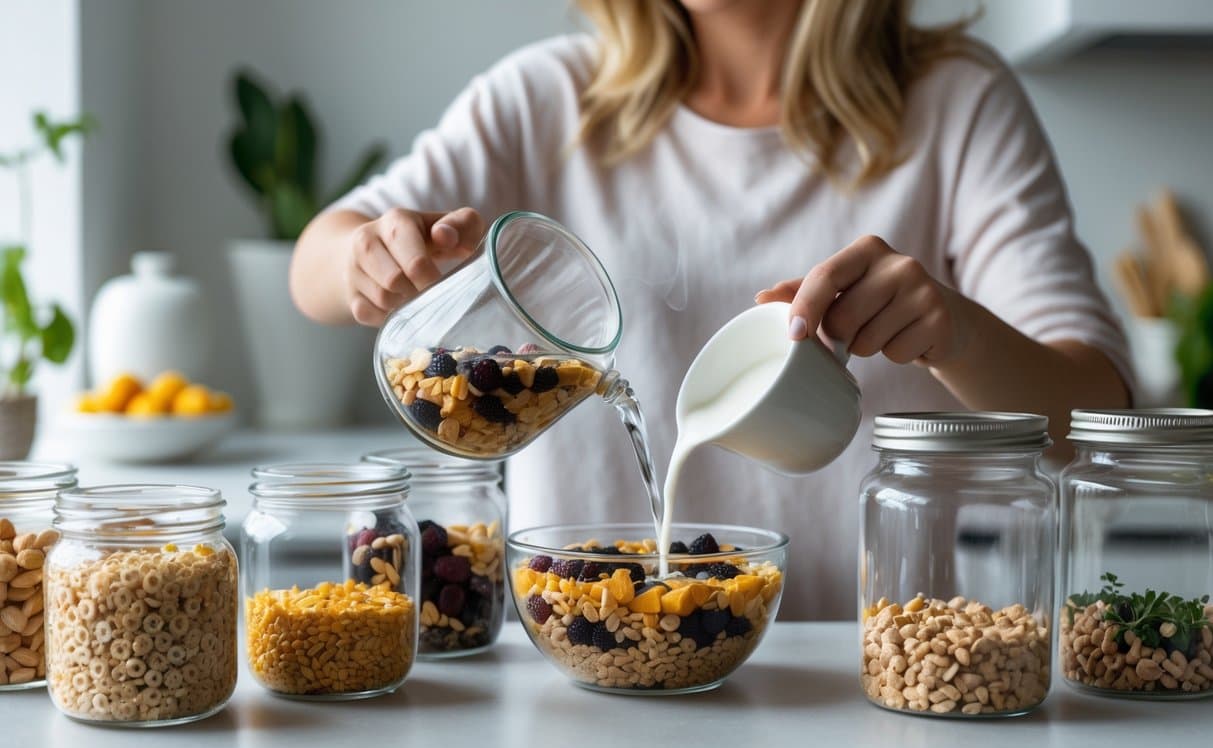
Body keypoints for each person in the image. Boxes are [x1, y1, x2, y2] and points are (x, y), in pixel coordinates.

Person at [290, 0, 1131, 620]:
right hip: (586, 663)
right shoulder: (544, 101)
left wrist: (956, 329)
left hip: (869, 672)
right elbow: (316, 263)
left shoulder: (956, 103)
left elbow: (1093, 416)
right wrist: (364, 260)